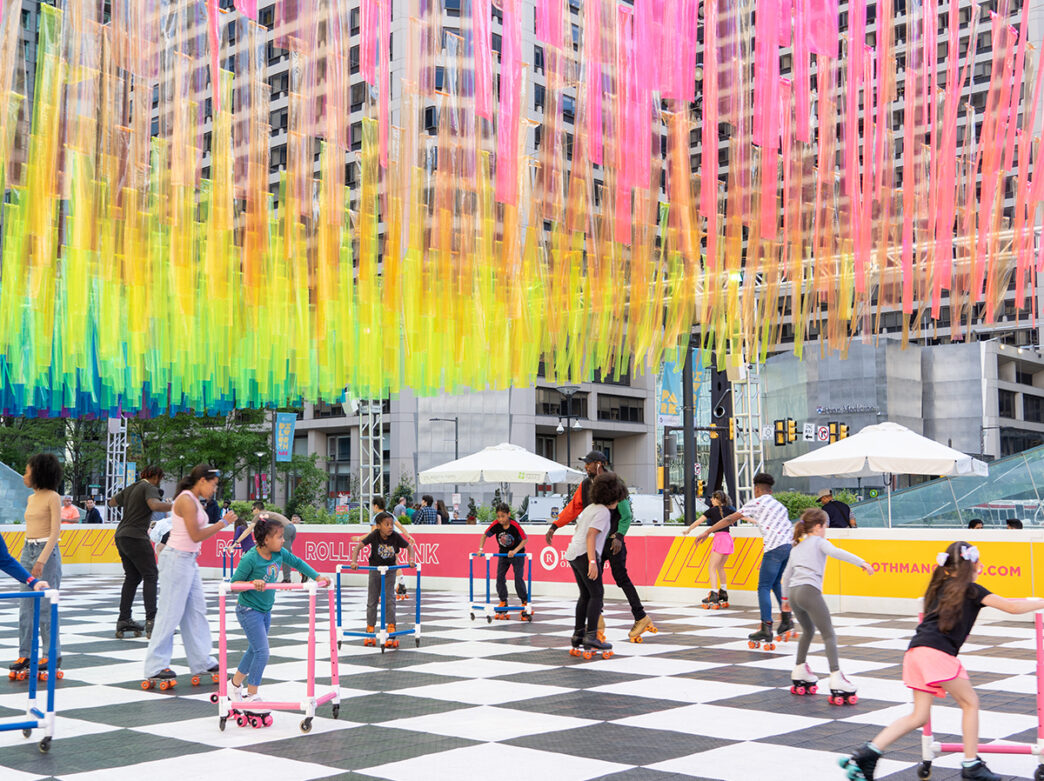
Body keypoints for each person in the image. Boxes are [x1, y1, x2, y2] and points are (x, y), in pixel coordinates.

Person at [841, 541, 1044, 781]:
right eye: (979, 561)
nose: (982, 565)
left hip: (915, 652)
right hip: (937, 654)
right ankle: (971, 765)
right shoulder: (972, 590)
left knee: (918, 716)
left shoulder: (939, 587)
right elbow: (1012, 607)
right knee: (970, 703)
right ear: (972, 565)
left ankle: (867, 753)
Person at [143, 464, 236, 687]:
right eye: (213, 485)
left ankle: (202, 660)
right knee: (169, 613)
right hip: (176, 559)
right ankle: (155, 666)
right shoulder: (185, 500)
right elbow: (195, 535)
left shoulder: (193, 499)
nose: (214, 490)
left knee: (196, 611)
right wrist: (223, 523)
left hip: (187, 561)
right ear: (202, 481)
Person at [546, 451, 654, 641]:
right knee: (593, 582)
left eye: (588, 463)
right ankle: (598, 621)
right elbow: (574, 507)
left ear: (599, 464)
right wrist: (555, 525)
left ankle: (641, 617)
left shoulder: (614, 482)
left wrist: (619, 536)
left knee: (621, 578)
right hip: (596, 541)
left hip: (612, 541)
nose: (585, 467)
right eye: (586, 464)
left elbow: (626, 514)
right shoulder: (586, 484)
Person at [229, 517, 326, 709]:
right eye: (279, 537)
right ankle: (251, 694)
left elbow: (298, 563)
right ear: (265, 539)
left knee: (254, 649)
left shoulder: (280, 553)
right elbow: (233, 585)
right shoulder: (250, 558)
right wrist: (251, 584)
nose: (283, 540)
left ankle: (233, 685)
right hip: (248, 610)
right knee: (262, 652)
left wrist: (317, 576)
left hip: (265, 610)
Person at [693, 472, 795, 648]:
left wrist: (707, 531)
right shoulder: (780, 506)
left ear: (756, 489)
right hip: (788, 548)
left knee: (763, 587)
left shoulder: (757, 502)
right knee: (775, 583)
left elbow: (730, 518)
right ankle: (786, 620)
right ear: (770, 489)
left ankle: (766, 627)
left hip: (774, 548)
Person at [782, 508, 874, 701]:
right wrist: (862, 563)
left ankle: (800, 670)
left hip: (794, 593)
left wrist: (785, 601)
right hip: (809, 591)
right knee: (829, 634)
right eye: (826, 525)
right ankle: (836, 677)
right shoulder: (819, 542)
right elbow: (837, 552)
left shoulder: (797, 547)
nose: (827, 528)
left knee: (808, 631)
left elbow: (786, 575)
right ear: (818, 526)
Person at [11, 454, 63, 679]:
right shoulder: (32, 498)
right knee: (26, 606)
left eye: (27, 471)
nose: (24, 476)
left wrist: (41, 559)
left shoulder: (53, 497)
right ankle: (25, 654)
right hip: (27, 549)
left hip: (47, 553)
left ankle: (50, 655)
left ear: (39, 473)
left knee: (45, 607)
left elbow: (55, 532)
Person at [566, 472, 627, 656]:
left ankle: (578, 635)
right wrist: (593, 561)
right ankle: (591, 636)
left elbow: (579, 529)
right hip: (585, 555)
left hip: (574, 553)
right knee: (597, 594)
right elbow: (591, 535)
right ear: (612, 495)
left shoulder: (591, 508)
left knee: (585, 595)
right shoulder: (602, 512)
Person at [109, 465, 172, 638]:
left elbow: (112, 502)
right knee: (151, 575)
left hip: (121, 535)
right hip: (136, 536)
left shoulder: (132, 487)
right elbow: (154, 505)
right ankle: (152, 620)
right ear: (156, 476)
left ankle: (124, 619)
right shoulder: (149, 487)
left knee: (133, 577)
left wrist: (130, 501)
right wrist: (174, 506)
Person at [349, 512, 414, 646]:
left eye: (391, 524)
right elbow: (358, 547)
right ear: (378, 526)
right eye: (387, 525)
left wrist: (411, 559)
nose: (390, 527)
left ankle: (391, 628)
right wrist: (354, 561)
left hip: (390, 570)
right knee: (372, 600)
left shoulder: (395, 536)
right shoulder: (374, 535)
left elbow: (409, 547)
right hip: (375, 570)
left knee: (389, 599)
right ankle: (370, 629)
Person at [683, 490, 735, 608]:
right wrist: (757, 521)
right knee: (720, 567)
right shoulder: (729, 510)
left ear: (717, 499)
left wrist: (688, 530)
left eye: (712, 498)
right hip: (728, 539)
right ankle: (724, 592)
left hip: (719, 539)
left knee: (711, 568)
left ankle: (714, 594)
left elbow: (698, 521)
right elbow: (744, 517)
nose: (711, 500)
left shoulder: (711, 511)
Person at [477, 503, 528, 615]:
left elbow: (525, 539)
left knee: (518, 578)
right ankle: (503, 601)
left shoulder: (515, 525)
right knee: (500, 577)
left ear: (508, 515)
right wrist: (481, 549)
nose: (500, 519)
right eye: (498, 516)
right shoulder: (496, 524)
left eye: (503, 516)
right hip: (503, 554)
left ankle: (524, 601)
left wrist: (514, 551)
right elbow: (485, 535)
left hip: (518, 554)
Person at [281, 513, 299, 583]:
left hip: (286, 528)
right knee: (287, 555)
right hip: (290, 528)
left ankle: (287, 578)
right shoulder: (289, 524)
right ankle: (287, 577)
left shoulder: (264, 515)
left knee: (285, 556)